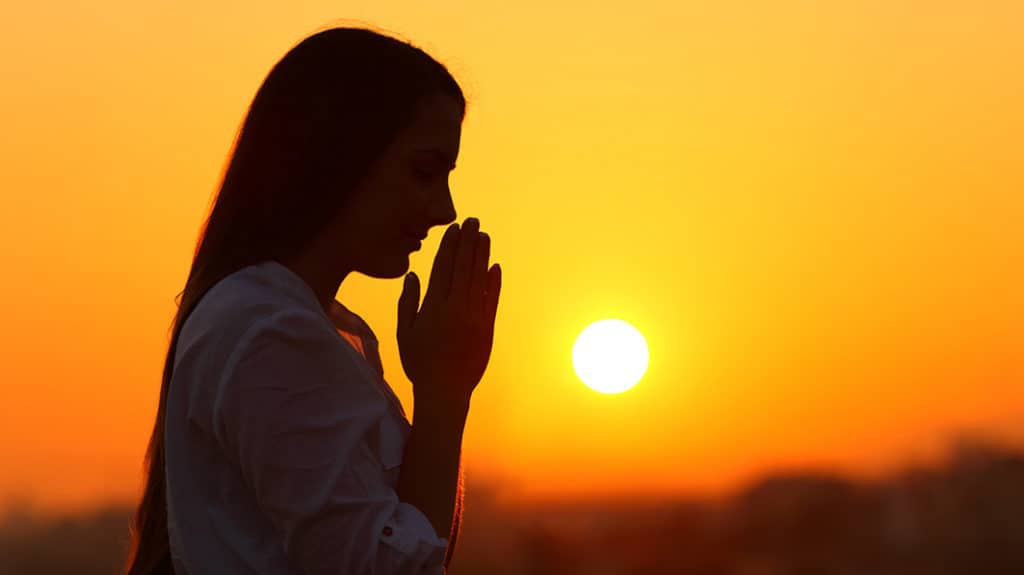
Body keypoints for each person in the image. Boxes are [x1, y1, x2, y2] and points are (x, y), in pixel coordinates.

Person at [123, 26, 501, 575]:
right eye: (424, 171)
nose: (443, 209)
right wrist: (442, 397)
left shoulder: (292, 322)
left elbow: (410, 546)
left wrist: (446, 391)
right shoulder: (269, 331)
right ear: (338, 156)